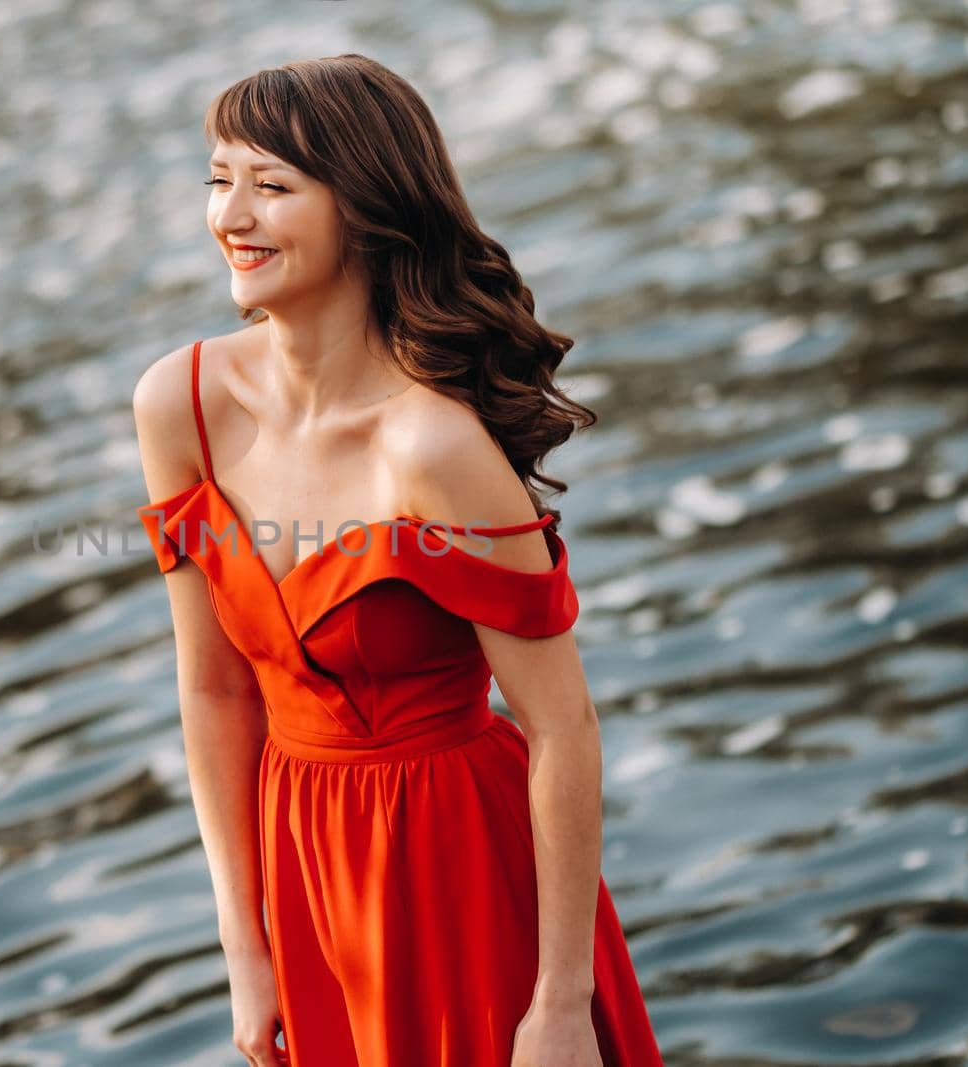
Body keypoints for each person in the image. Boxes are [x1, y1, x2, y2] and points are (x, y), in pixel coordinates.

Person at [132, 54, 665, 1067]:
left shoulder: (433, 448)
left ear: (367, 211)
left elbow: (562, 727)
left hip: (460, 871)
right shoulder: (179, 402)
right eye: (218, 179)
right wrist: (244, 941)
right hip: (304, 871)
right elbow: (212, 687)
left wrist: (558, 1004)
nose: (230, 216)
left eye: (272, 185)